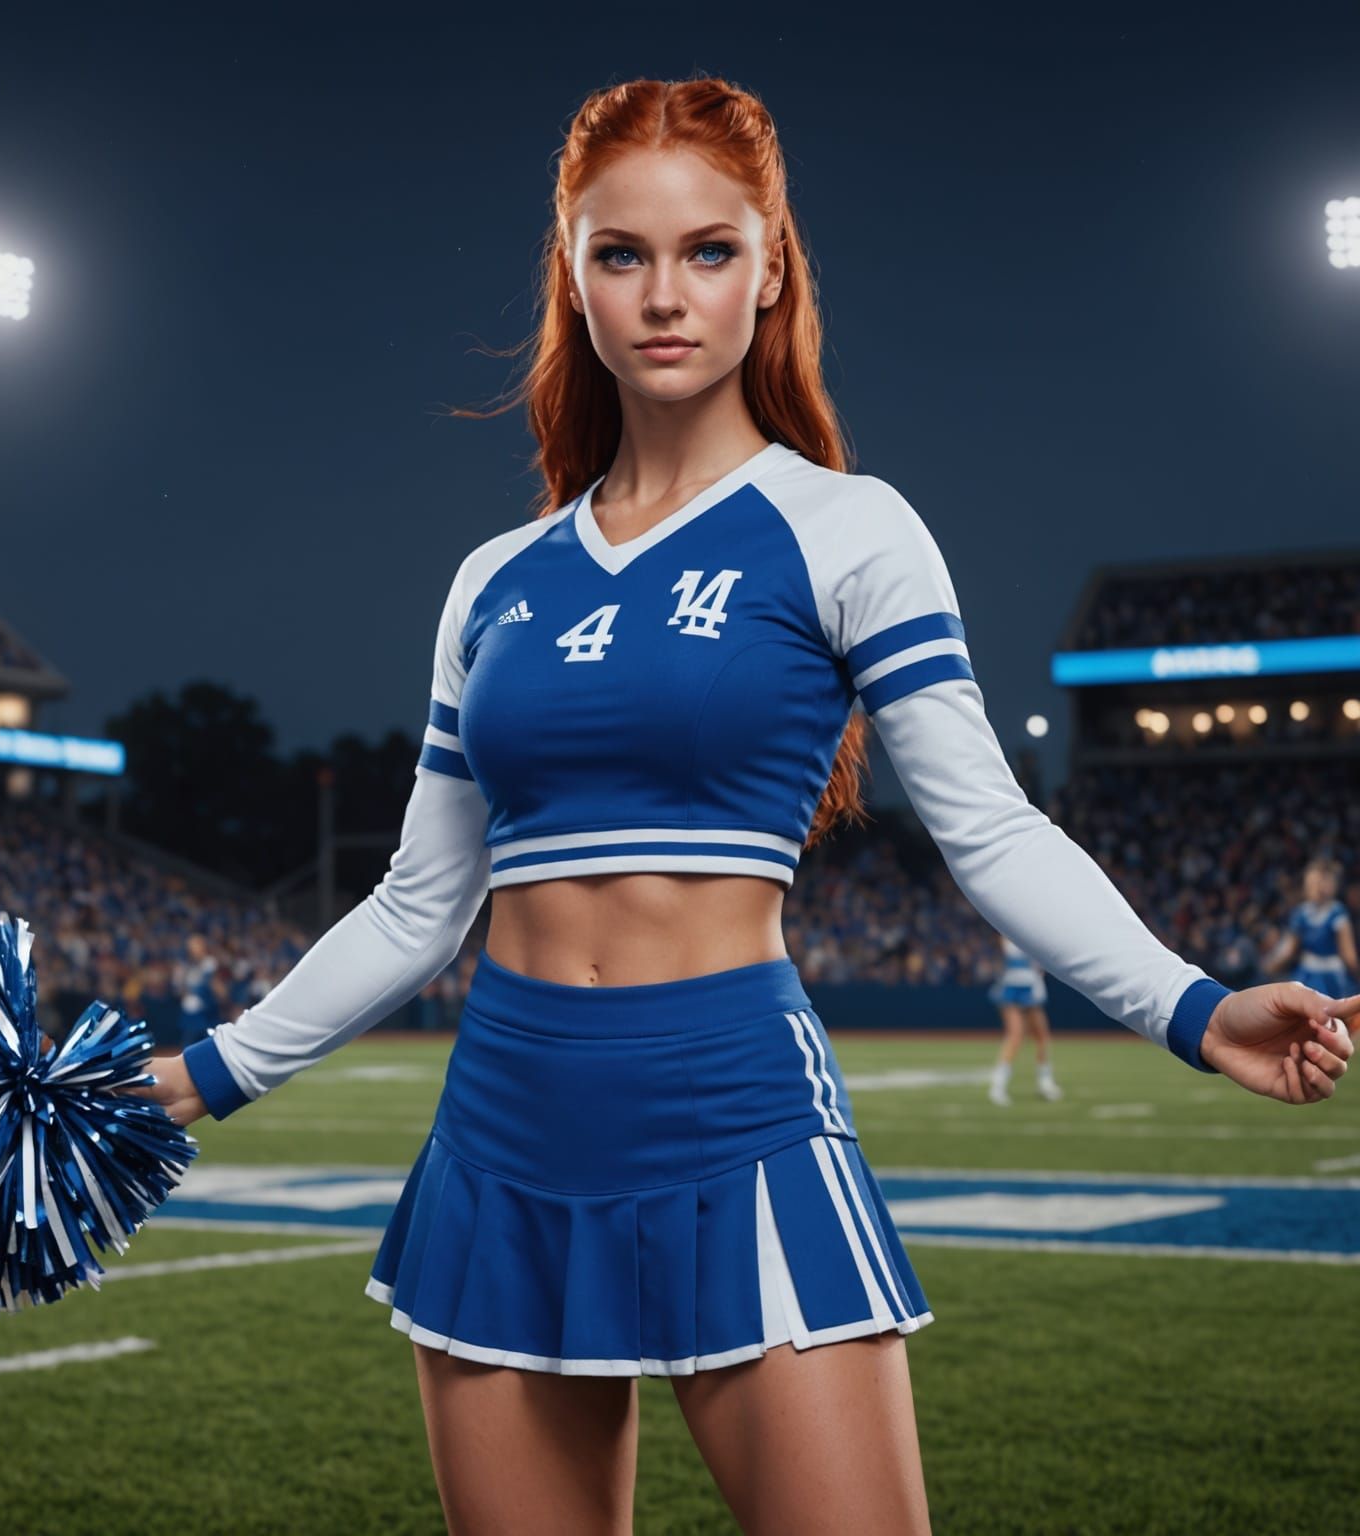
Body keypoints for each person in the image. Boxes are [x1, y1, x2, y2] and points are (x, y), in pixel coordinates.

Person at [137, 75, 1356, 1536]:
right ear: (573, 277)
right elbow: (418, 901)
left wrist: (1192, 1007)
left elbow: (990, 828)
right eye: (622, 253)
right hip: (503, 1128)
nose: (667, 295)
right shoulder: (493, 580)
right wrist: (194, 1078)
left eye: (710, 250)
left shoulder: (848, 528)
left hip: (735, 1110)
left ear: (771, 265)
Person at [1264, 858, 1357, 1000]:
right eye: (1309, 883)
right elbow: (1287, 949)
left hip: (1330, 977)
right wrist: (1267, 966)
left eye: (1315, 883)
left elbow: (1348, 955)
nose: (1311, 887)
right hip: (1307, 975)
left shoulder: (1336, 913)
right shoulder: (1301, 912)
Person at [987, 935, 1062, 1106]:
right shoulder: (1008, 933)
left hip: (1031, 985)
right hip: (1012, 986)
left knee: (1042, 1036)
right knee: (1015, 1036)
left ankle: (1045, 1083)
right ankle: (997, 1086)